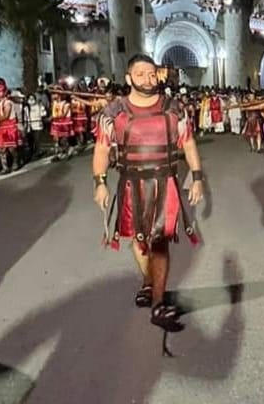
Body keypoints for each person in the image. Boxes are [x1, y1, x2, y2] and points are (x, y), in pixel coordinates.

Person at [92, 53, 205, 332]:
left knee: (161, 241)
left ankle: (158, 302)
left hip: (165, 182)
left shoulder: (174, 108)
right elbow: (103, 148)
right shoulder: (114, 112)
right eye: (141, 74)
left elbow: (188, 143)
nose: (148, 78)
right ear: (129, 78)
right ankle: (148, 281)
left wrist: (198, 177)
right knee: (139, 239)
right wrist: (100, 182)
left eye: (152, 73)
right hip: (131, 183)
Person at [0, 78, 20, 173]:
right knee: (1, 149)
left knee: (11, 148)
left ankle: (16, 161)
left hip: (9, 127)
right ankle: (5, 167)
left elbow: (5, 115)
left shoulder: (8, 102)